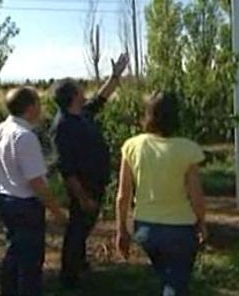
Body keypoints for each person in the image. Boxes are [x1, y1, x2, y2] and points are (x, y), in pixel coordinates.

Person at [116, 91, 208, 296]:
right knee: (175, 284)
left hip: (146, 229)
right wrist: (201, 223)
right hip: (181, 229)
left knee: (169, 278)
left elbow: (123, 195)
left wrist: (121, 229)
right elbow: (196, 196)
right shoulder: (188, 149)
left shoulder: (132, 146)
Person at [50, 53, 129, 288]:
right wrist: (82, 196)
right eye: (79, 89)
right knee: (77, 229)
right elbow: (67, 168)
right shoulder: (63, 126)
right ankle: (69, 277)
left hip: (94, 182)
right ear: (73, 96)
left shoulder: (80, 114)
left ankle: (79, 263)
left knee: (83, 228)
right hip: (83, 187)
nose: (83, 91)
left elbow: (101, 98)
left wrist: (115, 76)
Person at [0, 87, 67, 296]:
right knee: (30, 261)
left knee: (13, 253)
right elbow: (36, 183)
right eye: (38, 104)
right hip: (25, 204)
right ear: (30, 108)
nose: (41, 109)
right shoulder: (25, 137)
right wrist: (56, 211)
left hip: (4, 198)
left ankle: (9, 290)